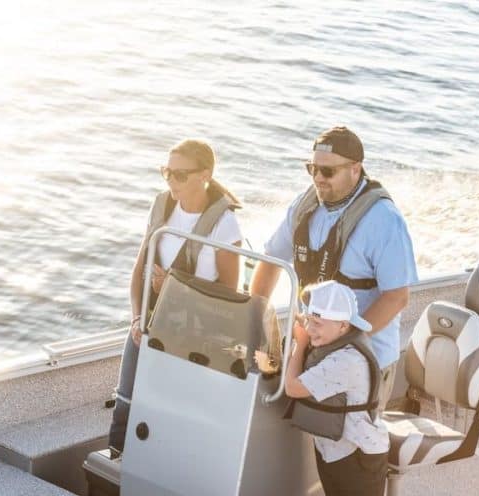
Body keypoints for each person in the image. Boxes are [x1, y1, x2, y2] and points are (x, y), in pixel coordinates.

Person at [250, 126, 418, 402]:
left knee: (353, 442)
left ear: (355, 169)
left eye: (327, 171)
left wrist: (343, 341)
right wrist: (254, 321)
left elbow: (397, 298)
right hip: (311, 349)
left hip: (362, 358)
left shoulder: (384, 220)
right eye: (312, 169)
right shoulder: (303, 207)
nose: (317, 178)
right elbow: (270, 262)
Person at [108, 139, 243, 455]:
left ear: (204, 174)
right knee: (126, 397)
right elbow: (139, 270)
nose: (171, 181)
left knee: (170, 410)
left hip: (193, 332)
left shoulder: (224, 224)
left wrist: (175, 286)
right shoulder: (161, 205)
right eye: (166, 172)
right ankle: (115, 468)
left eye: (180, 175)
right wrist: (137, 318)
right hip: (149, 320)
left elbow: (228, 297)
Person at [285, 281, 391, 496]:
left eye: (318, 324)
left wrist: (300, 344)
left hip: (358, 454)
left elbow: (293, 388)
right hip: (331, 449)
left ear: (344, 326)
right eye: (309, 321)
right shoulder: (330, 343)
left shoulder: (347, 359)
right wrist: (307, 335)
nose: (310, 329)